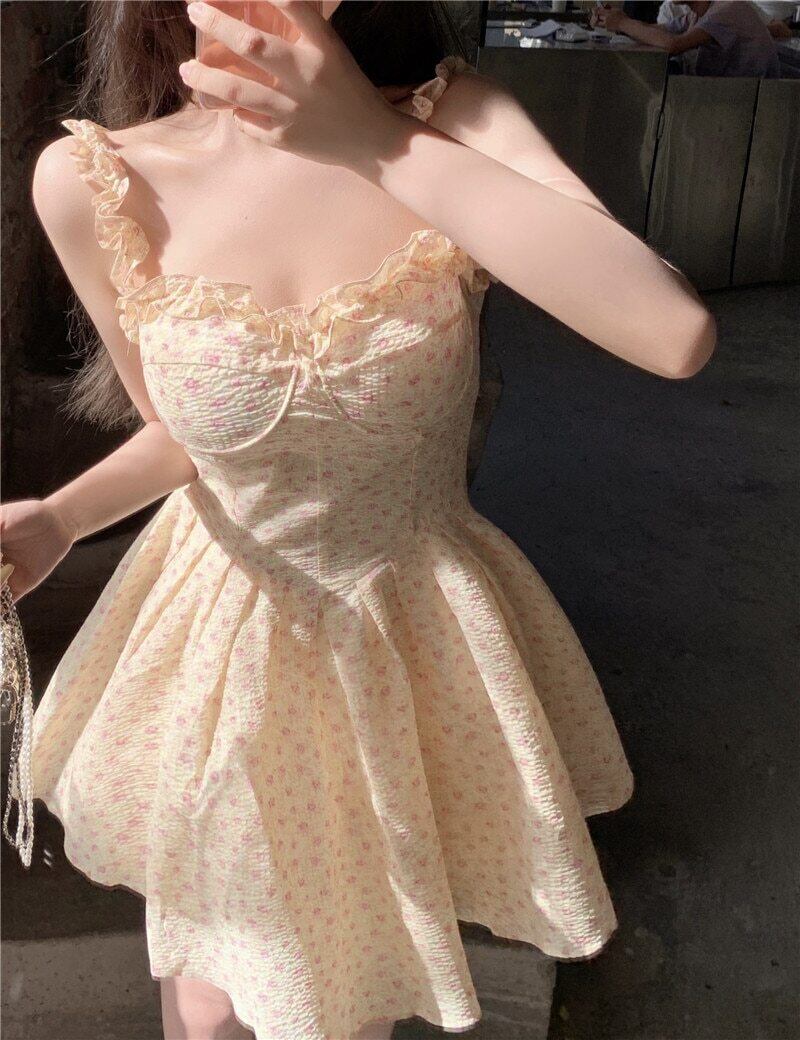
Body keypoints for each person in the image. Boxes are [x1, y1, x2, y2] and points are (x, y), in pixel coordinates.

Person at [1, 1, 716, 1038]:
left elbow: (672, 330)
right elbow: (194, 432)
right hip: (220, 647)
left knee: (347, 992)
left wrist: (378, 145)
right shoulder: (93, 180)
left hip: (405, 641)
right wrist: (62, 518)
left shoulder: (455, 122)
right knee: (212, 995)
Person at [594, 0, 783, 77]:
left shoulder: (727, 10)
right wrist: (614, 20)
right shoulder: (695, 15)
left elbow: (673, 44)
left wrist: (622, 23)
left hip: (757, 104)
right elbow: (659, 31)